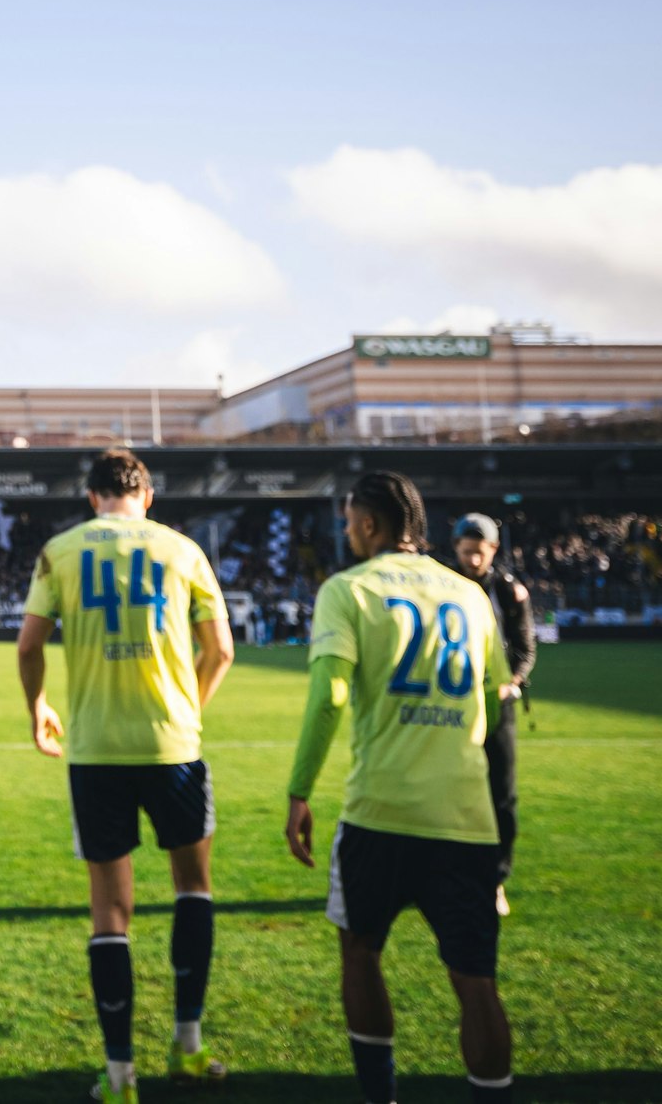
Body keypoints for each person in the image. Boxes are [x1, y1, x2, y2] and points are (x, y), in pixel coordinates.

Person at [286, 472, 515, 1104]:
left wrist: (300, 791)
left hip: (379, 814)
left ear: (367, 524)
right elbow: (494, 712)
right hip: (466, 820)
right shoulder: (470, 596)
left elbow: (330, 697)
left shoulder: (347, 590)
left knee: (360, 955)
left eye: (348, 520)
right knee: (476, 983)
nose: (345, 530)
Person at [16, 448, 234, 1104]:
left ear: (92, 497)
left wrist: (37, 708)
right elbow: (220, 647)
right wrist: (187, 705)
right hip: (173, 745)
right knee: (192, 887)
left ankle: (119, 1078)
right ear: (148, 494)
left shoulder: (61, 549)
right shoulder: (183, 549)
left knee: (110, 908)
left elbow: (28, 644)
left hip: (96, 751)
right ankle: (188, 1047)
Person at [445, 513, 535, 918]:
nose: (472, 559)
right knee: (447, 793)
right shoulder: (444, 586)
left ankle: (496, 881)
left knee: (502, 795)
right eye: (466, 552)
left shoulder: (509, 592)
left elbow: (524, 648)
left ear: (493, 550)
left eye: (478, 553)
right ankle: (445, 875)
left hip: (497, 707)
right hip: (453, 708)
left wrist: (511, 681)